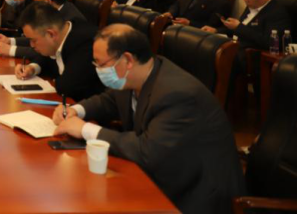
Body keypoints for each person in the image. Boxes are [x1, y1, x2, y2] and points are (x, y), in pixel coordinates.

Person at [52, 24, 245, 214]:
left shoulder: (177, 95)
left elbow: (148, 151)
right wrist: (76, 110)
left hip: (195, 194)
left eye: (101, 64)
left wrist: (85, 129)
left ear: (127, 59)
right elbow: (110, 100)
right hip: (163, 173)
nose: (98, 70)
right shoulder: (140, 73)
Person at [12, 2, 104, 101]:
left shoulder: (86, 43)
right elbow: (46, 57)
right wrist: (32, 68)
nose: (31, 45)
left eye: (33, 40)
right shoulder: (64, 30)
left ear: (51, 34)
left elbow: (66, 87)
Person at [219, 0, 291, 51]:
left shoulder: (276, 13)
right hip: (235, 44)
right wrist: (216, 31)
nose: (245, 0)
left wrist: (239, 27)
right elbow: (239, 30)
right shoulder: (253, 4)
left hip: (250, 52)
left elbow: (269, 42)